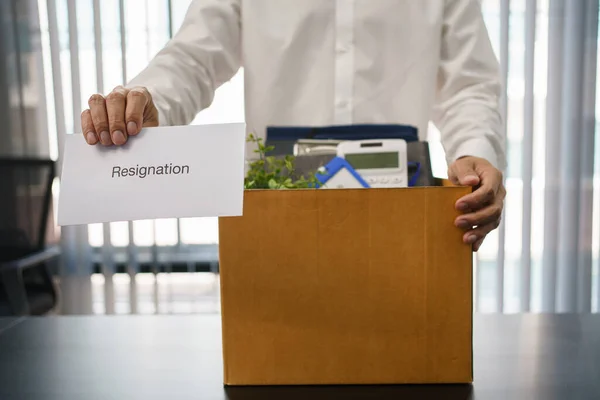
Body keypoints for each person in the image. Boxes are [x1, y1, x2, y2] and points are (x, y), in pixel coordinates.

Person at [81, 0, 506, 251]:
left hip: (400, 222)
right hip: (277, 223)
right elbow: (193, 58)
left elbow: (468, 85)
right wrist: (150, 100)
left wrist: (474, 152)